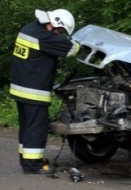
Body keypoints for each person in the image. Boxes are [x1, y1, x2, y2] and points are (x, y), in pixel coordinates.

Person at [9, 9, 80, 174]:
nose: (59, 34)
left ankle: (27, 161)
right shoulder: (43, 37)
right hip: (34, 91)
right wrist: (80, 41)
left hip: (20, 88)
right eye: (60, 30)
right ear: (54, 22)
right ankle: (34, 165)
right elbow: (72, 49)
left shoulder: (28, 29)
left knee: (27, 126)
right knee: (37, 128)